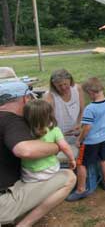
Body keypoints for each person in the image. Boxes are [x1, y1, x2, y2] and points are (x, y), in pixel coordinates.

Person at [1, 81, 76, 226]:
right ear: (25, 99)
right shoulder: (13, 121)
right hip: (3, 201)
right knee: (69, 177)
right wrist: (57, 147)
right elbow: (25, 150)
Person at [67, 78, 105, 201]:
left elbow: (87, 127)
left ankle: (81, 189)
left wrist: (79, 140)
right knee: (104, 160)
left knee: (81, 164)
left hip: (90, 142)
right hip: (103, 139)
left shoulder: (90, 108)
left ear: (91, 92)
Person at [22, 100, 76, 183]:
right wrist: (72, 159)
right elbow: (65, 147)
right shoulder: (54, 130)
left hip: (29, 172)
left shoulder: (23, 130)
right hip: (50, 169)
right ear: (48, 115)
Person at [44, 69, 85, 145]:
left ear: (70, 80)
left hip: (77, 133)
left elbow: (82, 110)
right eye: (59, 86)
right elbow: (49, 121)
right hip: (60, 136)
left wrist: (80, 124)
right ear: (54, 85)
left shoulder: (77, 89)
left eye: (65, 84)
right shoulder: (50, 96)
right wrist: (58, 136)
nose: (63, 87)